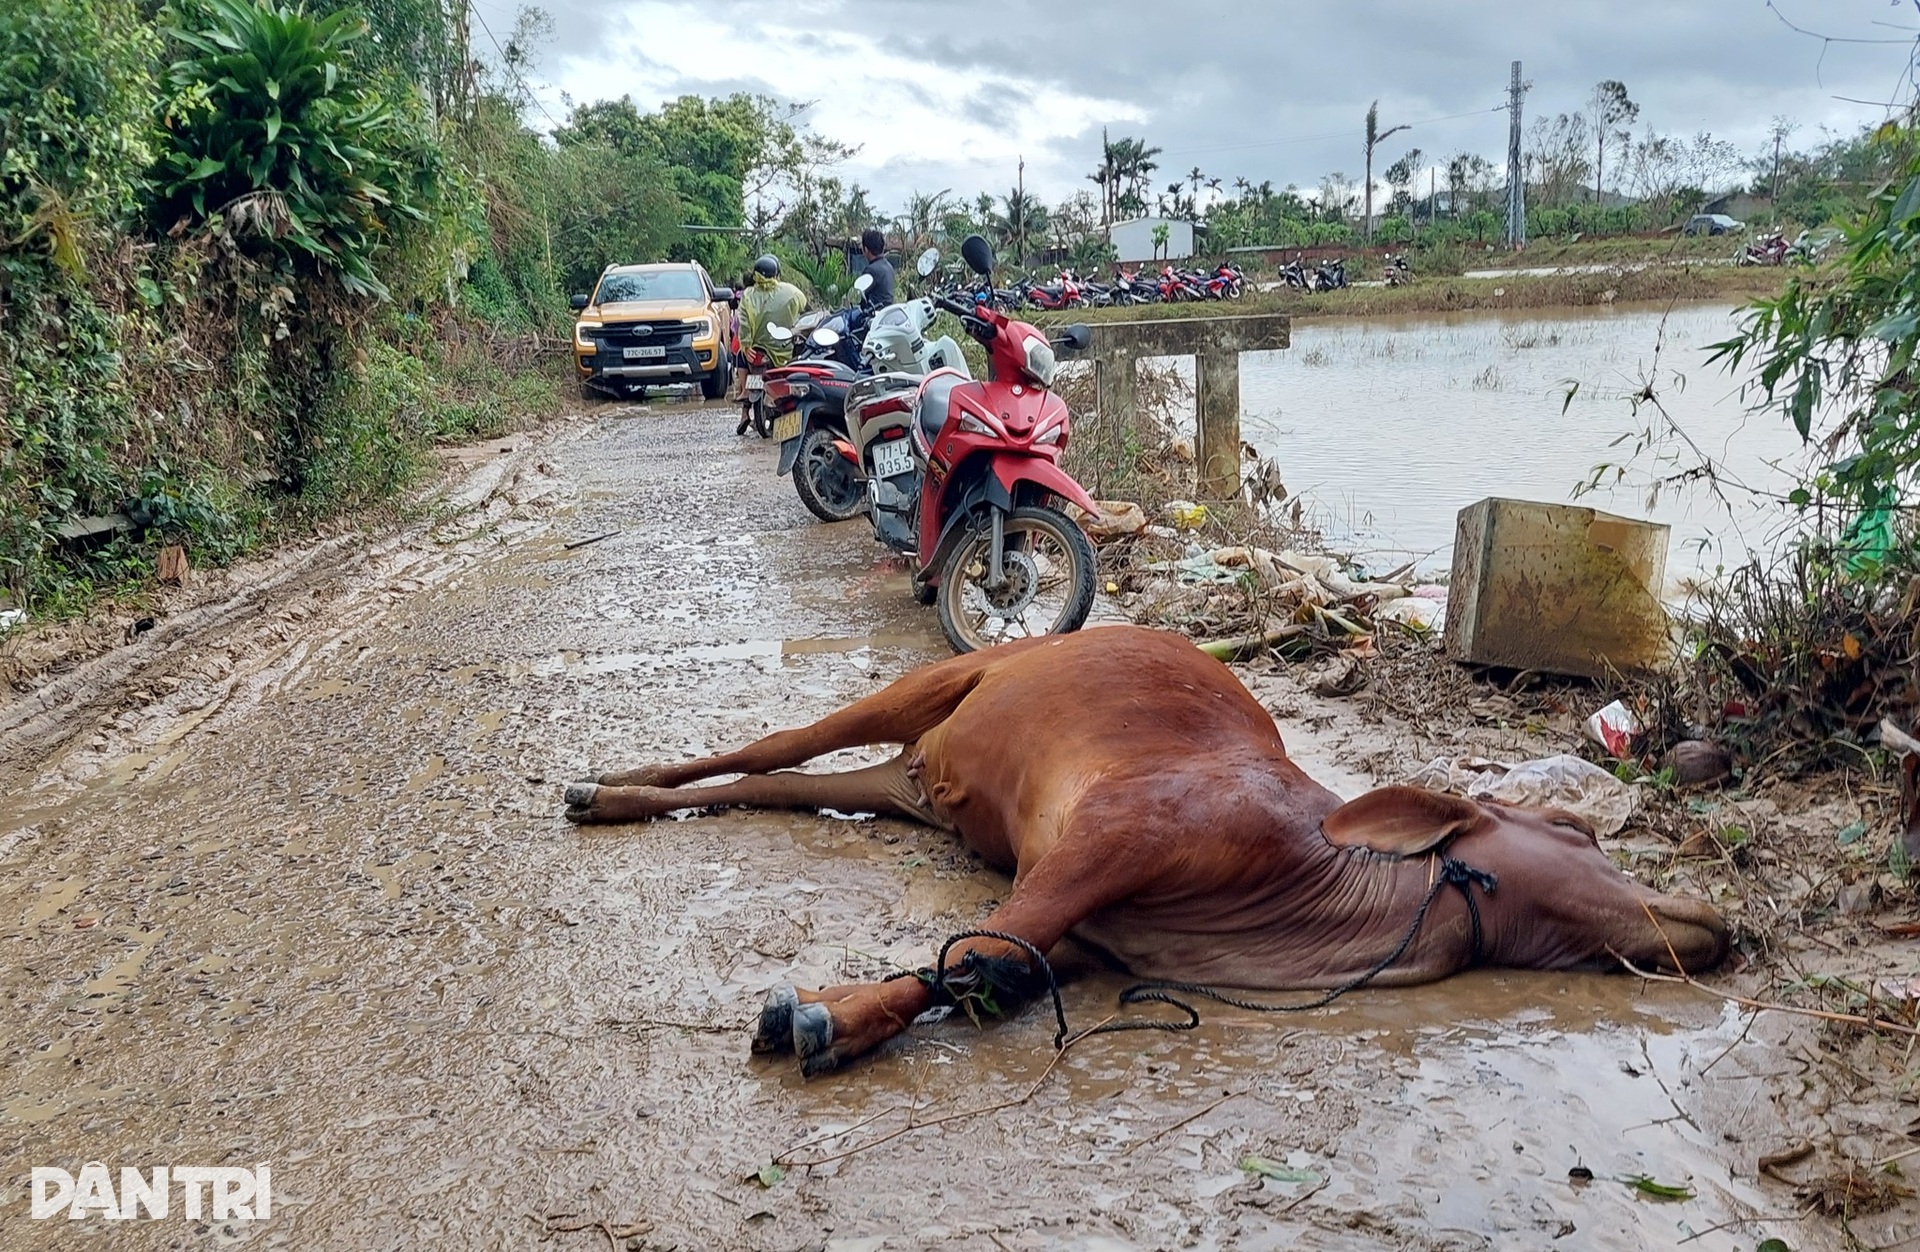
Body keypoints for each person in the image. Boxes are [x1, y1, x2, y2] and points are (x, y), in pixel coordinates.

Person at [736, 254, 805, 433]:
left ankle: (744, 394)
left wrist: (746, 345)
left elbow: (743, 322)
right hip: (783, 351)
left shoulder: (748, 295)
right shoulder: (791, 292)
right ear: (776, 274)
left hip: (755, 351)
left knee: (739, 357)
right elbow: (805, 310)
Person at [858, 228, 895, 310]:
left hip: (873, 316)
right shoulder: (889, 267)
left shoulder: (870, 271)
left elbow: (858, 297)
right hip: (888, 313)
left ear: (866, 250)